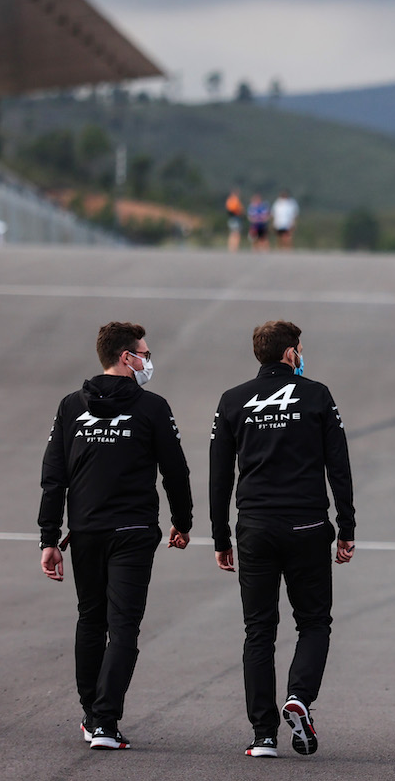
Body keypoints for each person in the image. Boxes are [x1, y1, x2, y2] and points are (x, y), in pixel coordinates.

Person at [38, 321, 193, 750]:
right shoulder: (151, 406)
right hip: (132, 531)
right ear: (127, 357)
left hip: (85, 530)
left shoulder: (72, 405)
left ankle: (93, 715)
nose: (148, 360)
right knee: (121, 626)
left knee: (91, 620)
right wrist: (184, 521)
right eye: (144, 352)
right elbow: (176, 471)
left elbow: (54, 479)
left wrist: (48, 539)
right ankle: (103, 720)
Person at [209, 320, 356, 759]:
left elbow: (220, 478)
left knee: (259, 631)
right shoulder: (317, 395)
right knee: (313, 622)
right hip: (308, 526)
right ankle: (299, 697)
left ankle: (264, 735)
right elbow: (339, 466)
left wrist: (221, 538)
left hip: (255, 527)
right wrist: (346, 528)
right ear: (291, 353)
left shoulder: (232, 400)